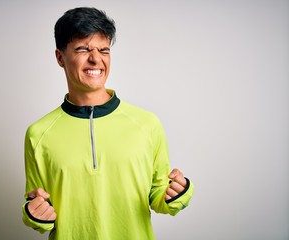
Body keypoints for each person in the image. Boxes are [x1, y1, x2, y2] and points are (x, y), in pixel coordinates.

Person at [22, 7, 194, 240]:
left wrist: (176, 194)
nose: (96, 58)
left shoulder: (147, 124)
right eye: (83, 49)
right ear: (60, 57)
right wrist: (35, 214)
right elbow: (40, 208)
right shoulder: (38, 134)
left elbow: (159, 198)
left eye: (104, 50)